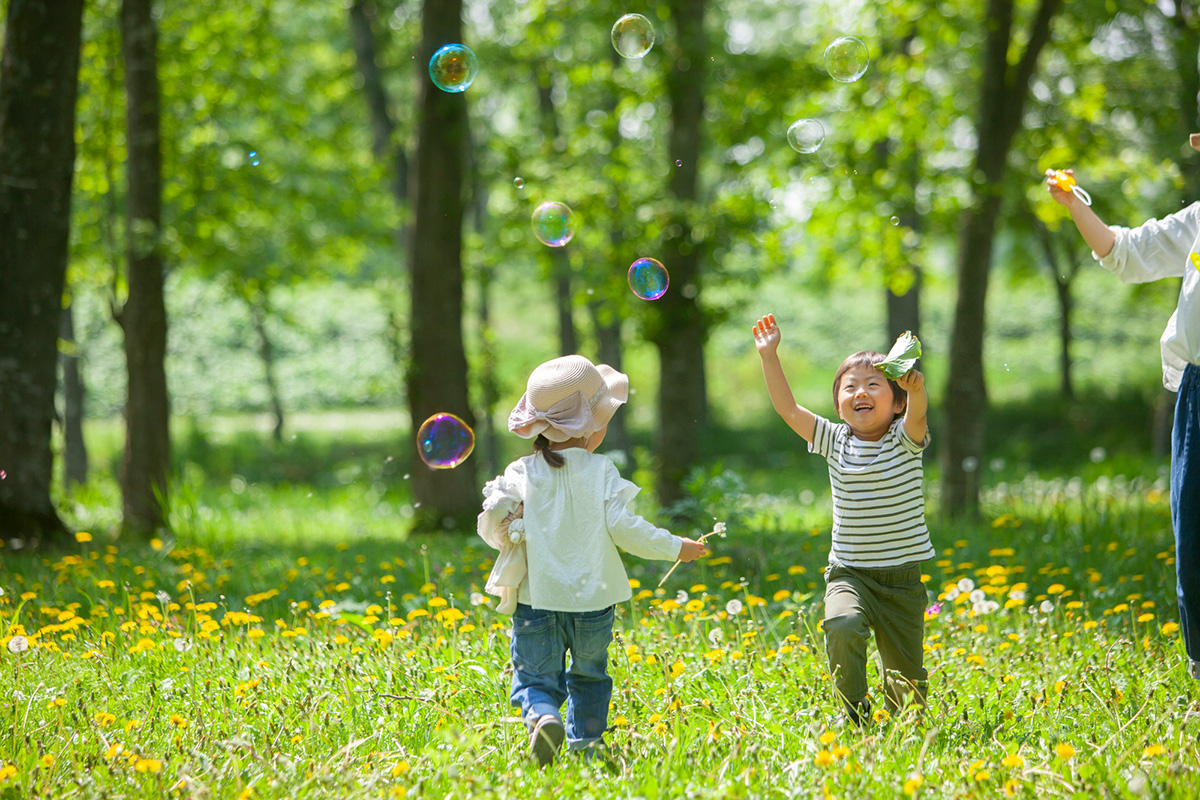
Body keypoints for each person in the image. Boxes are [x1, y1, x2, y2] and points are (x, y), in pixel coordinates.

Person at [476, 354, 710, 765]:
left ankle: (543, 714)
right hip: (594, 604)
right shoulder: (602, 471)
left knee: (534, 676)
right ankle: (586, 744)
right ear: (592, 427)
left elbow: (494, 530)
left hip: (537, 599)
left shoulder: (521, 471)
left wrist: (505, 517)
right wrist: (676, 546)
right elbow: (626, 530)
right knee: (589, 676)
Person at [1046, 155, 1200, 678]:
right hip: (1199, 390)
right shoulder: (1199, 220)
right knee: (1194, 532)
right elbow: (1126, 253)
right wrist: (1073, 206)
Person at [752, 314, 933, 725]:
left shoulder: (904, 440)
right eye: (849, 387)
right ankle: (855, 715)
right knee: (842, 623)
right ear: (838, 405)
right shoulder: (834, 440)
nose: (860, 392)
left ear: (897, 401)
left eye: (873, 385)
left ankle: (903, 720)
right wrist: (769, 356)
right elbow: (786, 408)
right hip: (850, 573)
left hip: (902, 582)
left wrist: (917, 389)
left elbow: (919, 416)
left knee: (909, 701)